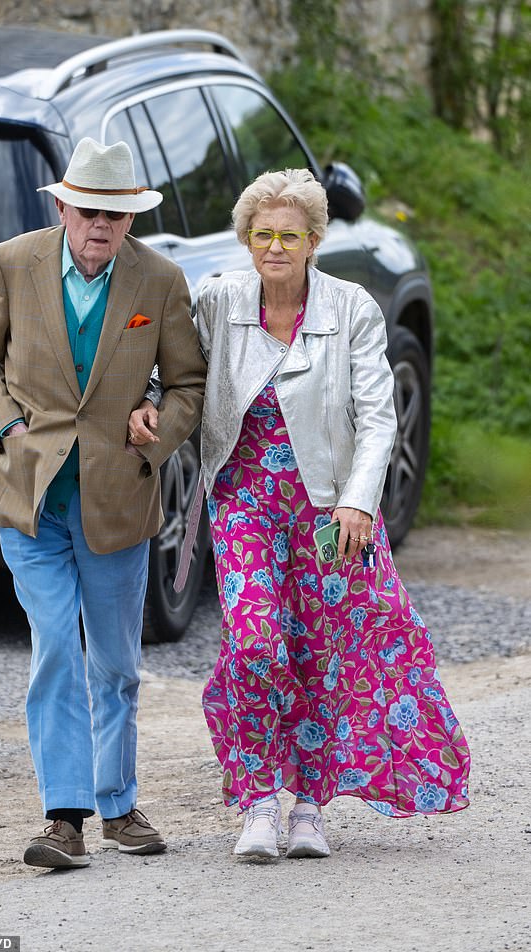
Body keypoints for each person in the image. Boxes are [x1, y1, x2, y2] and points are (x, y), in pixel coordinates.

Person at [130, 167, 470, 860]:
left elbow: (378, 419)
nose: (275, 247)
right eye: (263, 235)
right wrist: (148, 399)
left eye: (290, 235)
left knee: (323, 656)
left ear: (314, 240)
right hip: (245, 501)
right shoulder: (220, 300)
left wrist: (357, 502)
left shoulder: (351, 309)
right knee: (255, 642)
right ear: (246, 239)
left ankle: (309, 807)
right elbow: (177, 370)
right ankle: (258, 800)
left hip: (324, 510)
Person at [0, 138, 206, 869]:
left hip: (118, 501)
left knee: (118, 665)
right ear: (63, 206)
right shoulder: (13, 262)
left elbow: (187, 384)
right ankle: (64, 818)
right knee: (58, 648)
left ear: (132, 220)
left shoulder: (159, 281)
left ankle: (119, 805)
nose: (100, 224)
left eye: (115, 213)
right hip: (30, 497)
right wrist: (7, 424)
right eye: (88, 209)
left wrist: (156, 431)